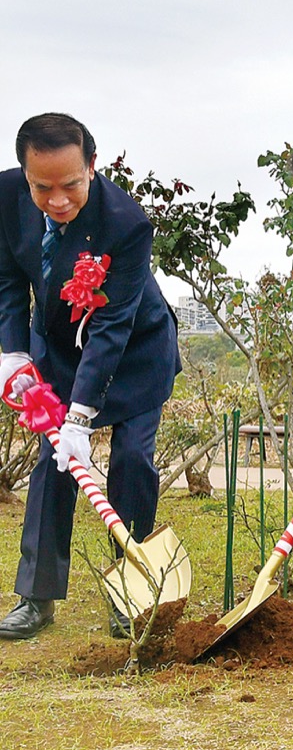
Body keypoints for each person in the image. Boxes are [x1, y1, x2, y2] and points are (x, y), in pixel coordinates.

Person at [0, 113, 180, 639]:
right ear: (24, 173)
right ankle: (36, 599)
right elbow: (8, 279)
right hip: (56, 351)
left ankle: (132, 593)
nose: (57, 200)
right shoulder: (7, 198)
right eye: (43, 187)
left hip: (135, 352)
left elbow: (112, 325)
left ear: (92, 167)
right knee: (52, 467)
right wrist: (13, 353)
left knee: (130, 459)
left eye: (71, 185)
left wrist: (80, 416)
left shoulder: (125, 222)